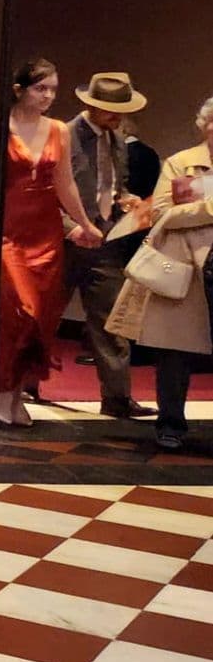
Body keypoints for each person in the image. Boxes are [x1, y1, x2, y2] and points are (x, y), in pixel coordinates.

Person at [0, 60, 104, 428]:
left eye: (53, 90)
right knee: (18, 311)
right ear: (19, 89)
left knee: (41, 316)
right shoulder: (0, 125)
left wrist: (85, 224)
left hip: (45, 232)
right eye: (41, 88)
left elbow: (65, 183)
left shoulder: (59, 130)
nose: (48, 96)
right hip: (8, 229)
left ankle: (16, 395)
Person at [108, 94, 213, 452]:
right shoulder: (181, 163)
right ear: (204, 125)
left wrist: (198, 206)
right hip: (185, 267)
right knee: (174, 352)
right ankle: (170, 423)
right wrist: (210, 206)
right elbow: (163, 212)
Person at [64, 72, 156, 420]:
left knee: (111, 321)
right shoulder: (66, 135)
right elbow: (48, 189)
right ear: (90, 104)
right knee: (40, 317)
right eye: (109, 110)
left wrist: (126, 201)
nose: (116, 117)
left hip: (104, 239)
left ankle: (117, 398)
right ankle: (24, 384)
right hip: (65, 240)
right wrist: (72, 227)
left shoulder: (116, 139)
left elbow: (112, 186)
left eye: (121, 110)